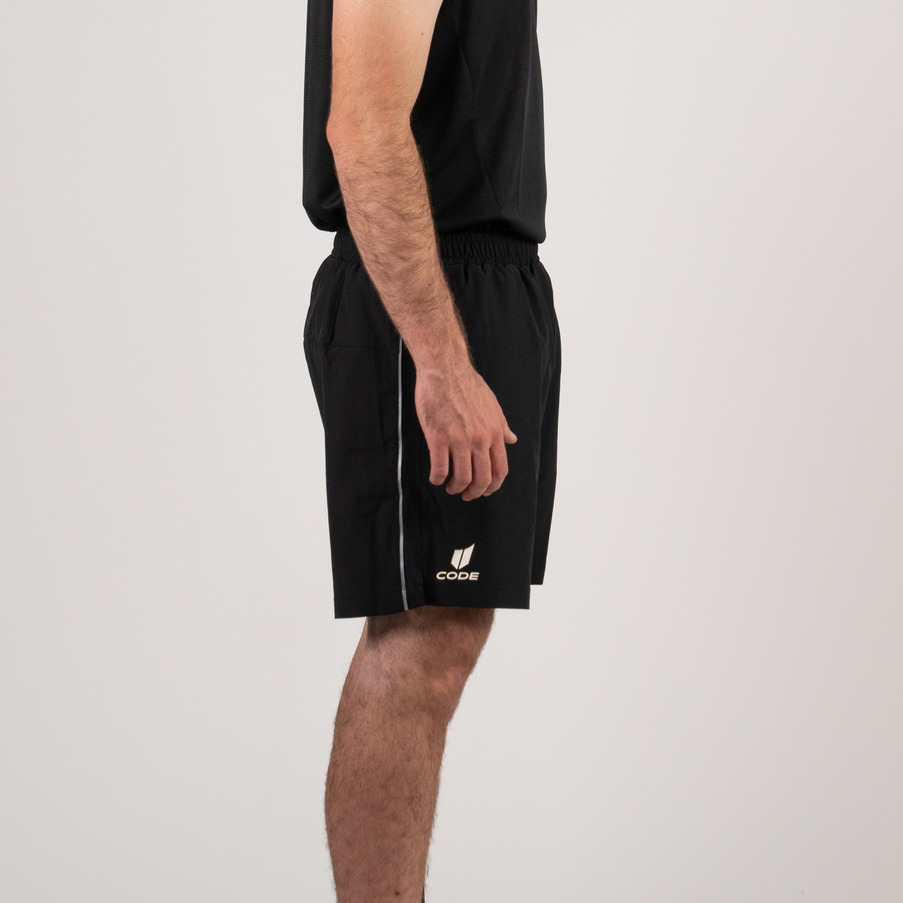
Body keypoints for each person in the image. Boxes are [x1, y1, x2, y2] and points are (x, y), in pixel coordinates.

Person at [301, 0, 561, 899]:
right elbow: (362, 126)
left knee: (444, 637)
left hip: (488, 280)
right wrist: (442, 362)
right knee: (419, 639)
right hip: (425, 291)